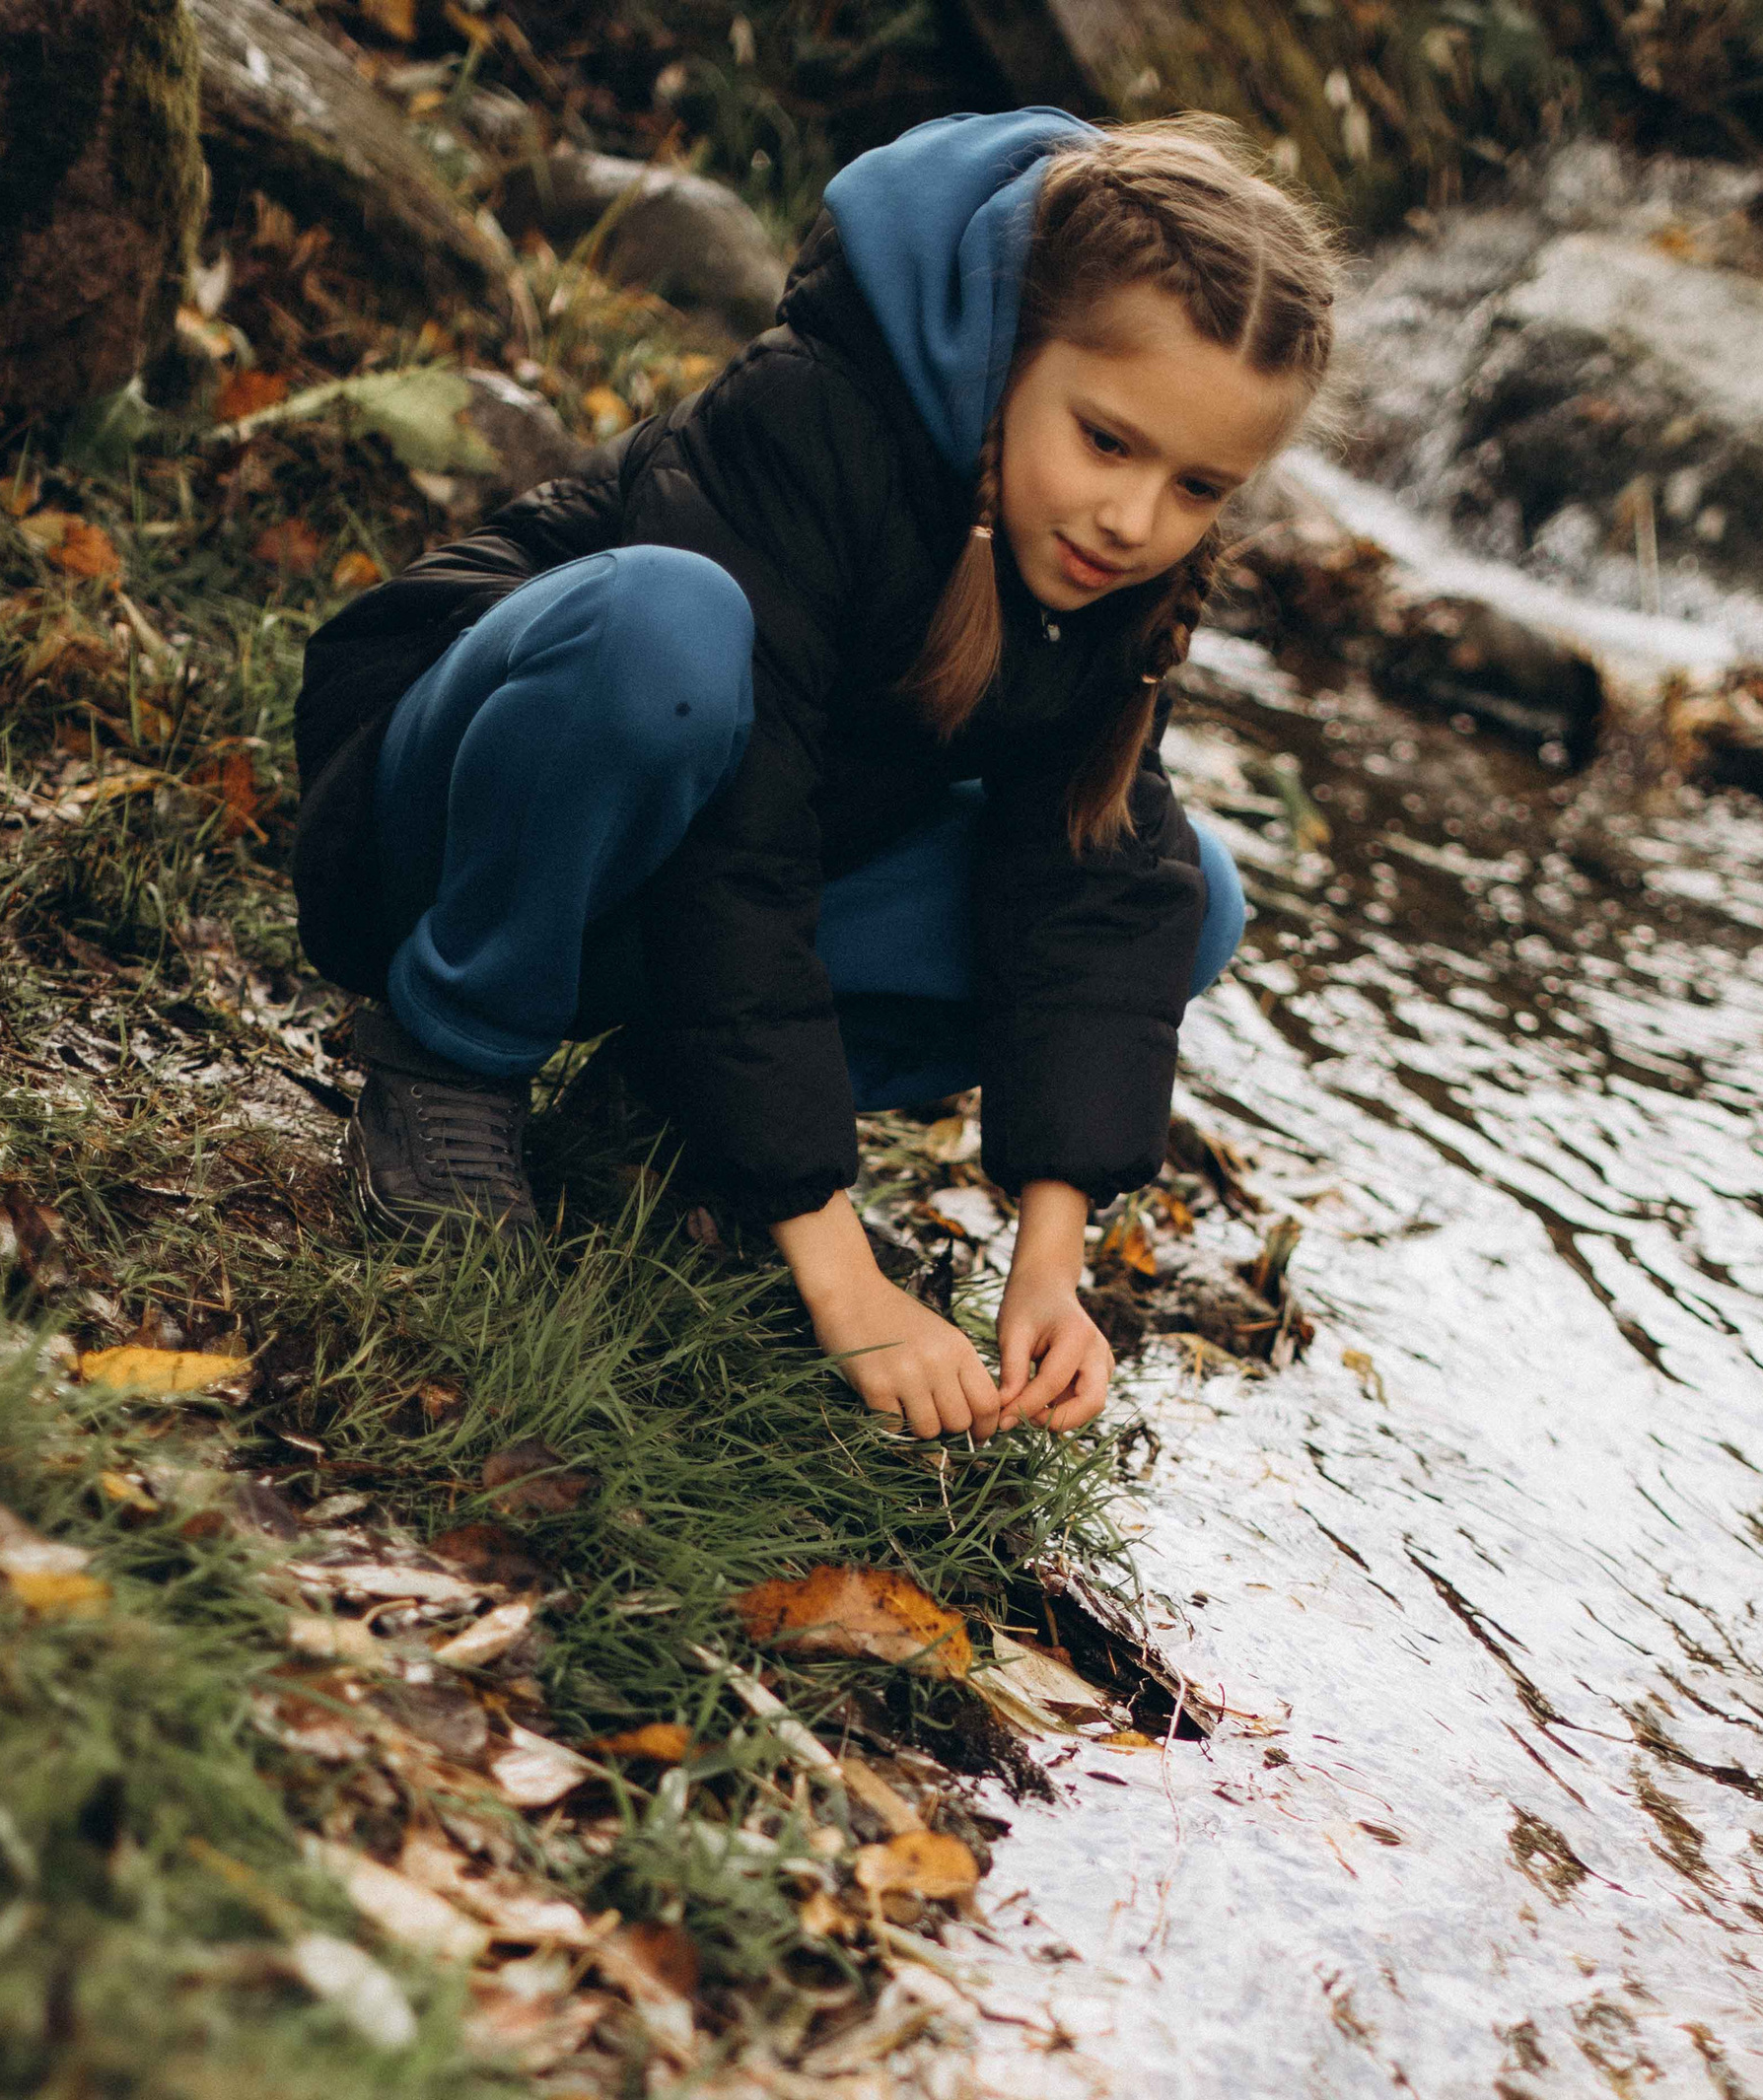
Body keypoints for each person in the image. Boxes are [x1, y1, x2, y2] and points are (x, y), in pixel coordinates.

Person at [291, 111, 1333, 1440]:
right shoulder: (811, 414)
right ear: (1005, 351)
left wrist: (1051, 1261)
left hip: (681, 910)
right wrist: (844, 1277)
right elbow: (739, 839)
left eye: (1199, 487)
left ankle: (672, 1107)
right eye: (1108, 441)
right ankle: (450, 1062)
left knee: (1198, 895)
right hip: (454, 830)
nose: (1136, 520)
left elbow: (1087, 884)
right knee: (667, 630)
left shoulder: (1110, 566)